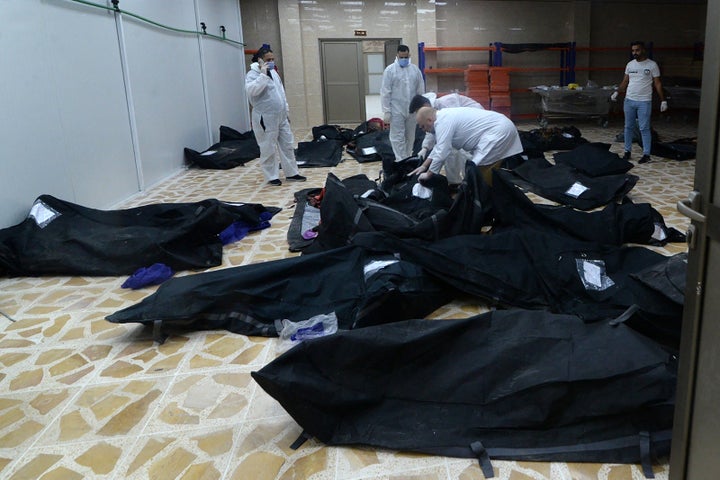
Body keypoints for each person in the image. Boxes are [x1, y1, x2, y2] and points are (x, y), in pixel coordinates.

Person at [410, 106, 523, 187]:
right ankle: (490, 200)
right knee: (480, 173)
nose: (424, 130)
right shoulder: (443, 118)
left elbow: (443, 150)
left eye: (423, 127)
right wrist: (424, 166)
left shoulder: (443, 121)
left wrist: (429, 174)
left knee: (476, 172)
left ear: (429, 120)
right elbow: (439, 147)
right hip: (499, 128)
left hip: (498, 131)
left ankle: (487, 203)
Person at [245, 46, 306, 186]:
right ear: (260, 60)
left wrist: (287, 112)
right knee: (268, 147)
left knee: (287, 145)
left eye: (273, 59)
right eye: (268, 59)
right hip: (265, 117)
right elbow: (252, 91)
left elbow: (281, 93)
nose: (272, 61)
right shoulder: (253, 74)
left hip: (281, 116)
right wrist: (263, 75)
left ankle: (292, 173)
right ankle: (271, 176)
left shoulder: (274, 72)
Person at [408, 92, 484, 185]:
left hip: (473, 123)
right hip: (465, 127)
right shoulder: (432, 113)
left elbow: (442, 145)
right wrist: (425, 147)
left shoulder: (447, 103)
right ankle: (455, 182)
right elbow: (433, 132)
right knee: (449, 150)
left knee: (462, 154)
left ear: (425, 105)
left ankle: (469, 182)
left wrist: (429, 173)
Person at [611, 41, 667, 164]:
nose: (635, 53)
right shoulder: (630, 65)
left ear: (643, 50)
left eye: (637, 50)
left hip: (644, 101)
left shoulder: (652, 65)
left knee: (644, 128)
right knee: (628, 127)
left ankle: (646, 154)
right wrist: (617, 92)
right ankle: (627, 152)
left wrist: (663, 100)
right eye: (633, 51)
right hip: (629, 100)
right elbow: (625, 81)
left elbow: (657, 83)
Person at [380, 45, 425, 161]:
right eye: (401, 57)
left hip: (412, 110)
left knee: (410, 136)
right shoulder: (390, 70)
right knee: (397, 136)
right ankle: (400, 159)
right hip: (396, 109)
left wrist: (421, 108)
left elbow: (420, 90)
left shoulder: (415, 70)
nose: (404, 59)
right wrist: (386, 111)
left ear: (409, 55)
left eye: (406, 57)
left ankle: (408, 158)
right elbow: (385, 92)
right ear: (397, 55)